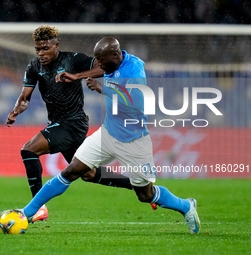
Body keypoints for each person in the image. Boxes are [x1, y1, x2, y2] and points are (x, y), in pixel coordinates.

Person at [15, 36, 201, 234]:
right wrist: (77, 76)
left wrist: (103, 89)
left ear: (115, 55)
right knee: (72, 170)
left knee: (145, 195)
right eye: (98, 60)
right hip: (107, 134)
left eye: (102, 60)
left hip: (134, 140)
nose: (100, 65)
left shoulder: (134, 68)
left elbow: (138, 101)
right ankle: (27, 213)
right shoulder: (110, 63)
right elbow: (103, 71)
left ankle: (186, 206)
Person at [3, 26, 134, 222]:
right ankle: (138, 184)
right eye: (38, 49)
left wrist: (77, 76)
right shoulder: (34, 67)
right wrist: (16, 110)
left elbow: (104, 67)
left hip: (73, 123)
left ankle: (38, 208)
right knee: (88, 174)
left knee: (29, 150)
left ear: (56, 45)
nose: (41, 53)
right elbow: (24, 97)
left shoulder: (73, 59)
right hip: (60, 124)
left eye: (45, 48)